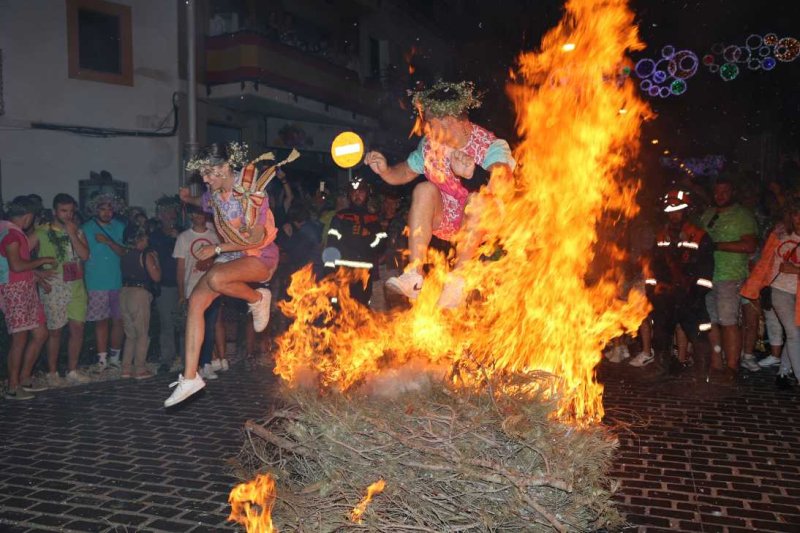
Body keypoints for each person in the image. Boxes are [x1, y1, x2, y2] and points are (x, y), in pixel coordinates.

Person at [363, 80, 516, 308]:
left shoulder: (490, 144)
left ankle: (457, 283)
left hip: (486, 226)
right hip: (448, 220)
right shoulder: (429, 146)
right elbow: (403, 172)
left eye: (432, 124)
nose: (428, 130)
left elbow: (503, 180)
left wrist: (472, 174)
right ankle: (414, 275)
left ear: (452, 121)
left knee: (478, 199)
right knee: (424, 189)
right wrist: (385, 170)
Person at [164, 142, 285, 407]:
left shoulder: (251, 194)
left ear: (225, 168)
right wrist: (187, 199)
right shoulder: (214, 193)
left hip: (259, 256)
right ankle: (190, 377)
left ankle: (256, 298)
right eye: (203, 175)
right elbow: (203, 201)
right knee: (196, 303)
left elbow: (254, 240)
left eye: (208, 173)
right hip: (231, 257)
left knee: (217, 277)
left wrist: (217, 247)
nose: (205, 179)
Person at [639, 190, 714, 378]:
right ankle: (661, 369)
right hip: (666, 297)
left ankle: (702, 376)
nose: (674, 215)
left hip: (690, 296)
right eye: (671, 211)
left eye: (678, 211)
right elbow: (652, 266)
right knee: (662, 335)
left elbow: (706, 270)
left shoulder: (699, 236)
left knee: (698, 335)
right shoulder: (661, 236)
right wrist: (652, 293)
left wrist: (696, 295)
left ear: (686, 212)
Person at [699, 177, 758, 380]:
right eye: (717, 192)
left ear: (732, 192)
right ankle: (716, 365)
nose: (720, 196)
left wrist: (717, 245)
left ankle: (732, 368)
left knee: (729, 322)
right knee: (712, 321)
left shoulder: (743, 215)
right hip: (707, 276)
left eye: (724, 191)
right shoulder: (707, 214)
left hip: (730, 276)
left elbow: (750, 245)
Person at [741, 199, 800, 389]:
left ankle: (783, 372)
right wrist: (757, 286)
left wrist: (795, 270)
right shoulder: (780, 234)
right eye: (795, 214)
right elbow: (765, 262)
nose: (799, 218)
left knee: (796, 334)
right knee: (793, 333)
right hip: (780, 290)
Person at [0, 196, 54, 399]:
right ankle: (13, 387)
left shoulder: (11, 231)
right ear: (29, 216)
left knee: (40, 334)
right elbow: (16, 265)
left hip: (24, 288)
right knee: (19, 339)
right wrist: (42, 260)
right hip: (16, 292)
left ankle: (24, 378)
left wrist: (38, 276)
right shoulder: (11, 235)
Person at [34, 193, 90, 386]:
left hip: (76, 286)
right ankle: (52, 373)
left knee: (77, 328)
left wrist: (73, 233)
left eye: (71, 211)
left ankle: (72, 370)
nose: (67, 215)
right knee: (55, 331)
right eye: (63, 211)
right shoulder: (41, 232)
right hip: (55, 286)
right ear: (54, 211)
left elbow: (84, 255)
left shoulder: (78, 231)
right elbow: (17, 254)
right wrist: (36, 272)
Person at [173, 205, 225, 379]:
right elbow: (180, 269)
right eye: (195, 213)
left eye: (202, 213)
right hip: (192, 288)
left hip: (212, 287)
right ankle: (194, 367)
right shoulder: (183, 238)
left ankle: (207, 364)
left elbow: (223, 260)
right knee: (195, 328)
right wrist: (181, 294)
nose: (199, 216)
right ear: (191, 216)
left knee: (210, 327)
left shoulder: (213, 236)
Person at [82, 193, 127, 370]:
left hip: (117, 281)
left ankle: (115, 359)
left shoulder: (120, 227)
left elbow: (124, 252)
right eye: (103, 208)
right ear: (95, 210)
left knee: (119, 321)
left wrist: (108, 241)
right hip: (95, 282)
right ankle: (102, 360)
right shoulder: (86, 228)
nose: (107, 212)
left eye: (110, 208)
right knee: (100, 321)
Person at [324, 177, 385, 306]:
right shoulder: (340, 217)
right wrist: (329, 271)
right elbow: (331, 244)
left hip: (364, 273)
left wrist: (368, 235)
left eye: (361, 192)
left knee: (361, 310)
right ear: (349, 195)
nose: (357, 195)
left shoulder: (373, 220)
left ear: (367, 195)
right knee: (339, 307)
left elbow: (381, 246)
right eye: (354, 192)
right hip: (342, 271)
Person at [119, 226, 161, 379]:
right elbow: (156, 277)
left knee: (130, 334)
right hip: (139, 294)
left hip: (124, 292)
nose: (147, 240)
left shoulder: (125, 254)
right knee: (142, 333)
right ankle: (140, 368)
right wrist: (156, 261)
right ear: (140, 239)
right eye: (145, 238)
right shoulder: (145, 255)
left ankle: (125, 368)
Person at [149, 196, 181, 372]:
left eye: (172, 211)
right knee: (167, 323)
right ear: (160, 215)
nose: (170, 215)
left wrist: (177, 238)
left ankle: (186, 359)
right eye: (166, 212)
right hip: (165, 285)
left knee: (184, 322)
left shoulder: (183, 232)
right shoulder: (155, 236)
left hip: (184, 284)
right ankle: (167, 358)